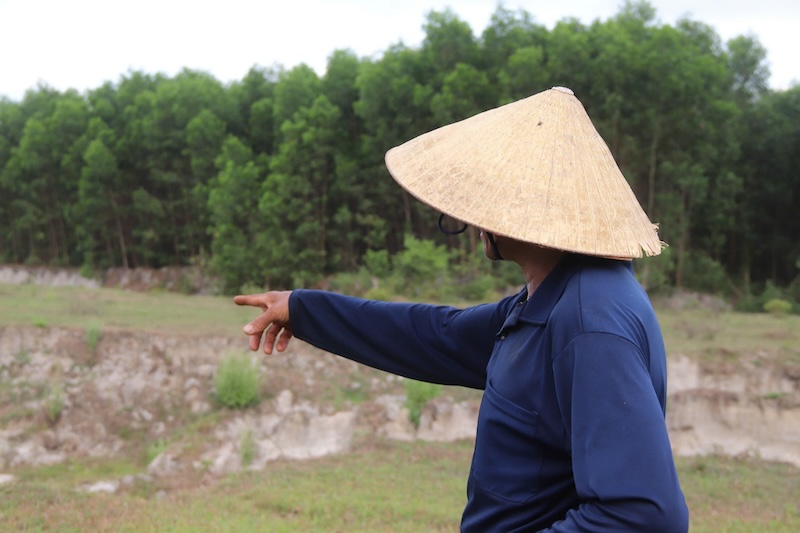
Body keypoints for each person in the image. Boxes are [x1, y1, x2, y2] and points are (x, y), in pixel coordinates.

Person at [234, 87, 689, 532]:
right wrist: (304, 309)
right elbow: (440, 336)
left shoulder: (589, 322)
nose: (475, 216)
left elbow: (642, 516)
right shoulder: (553, 299)